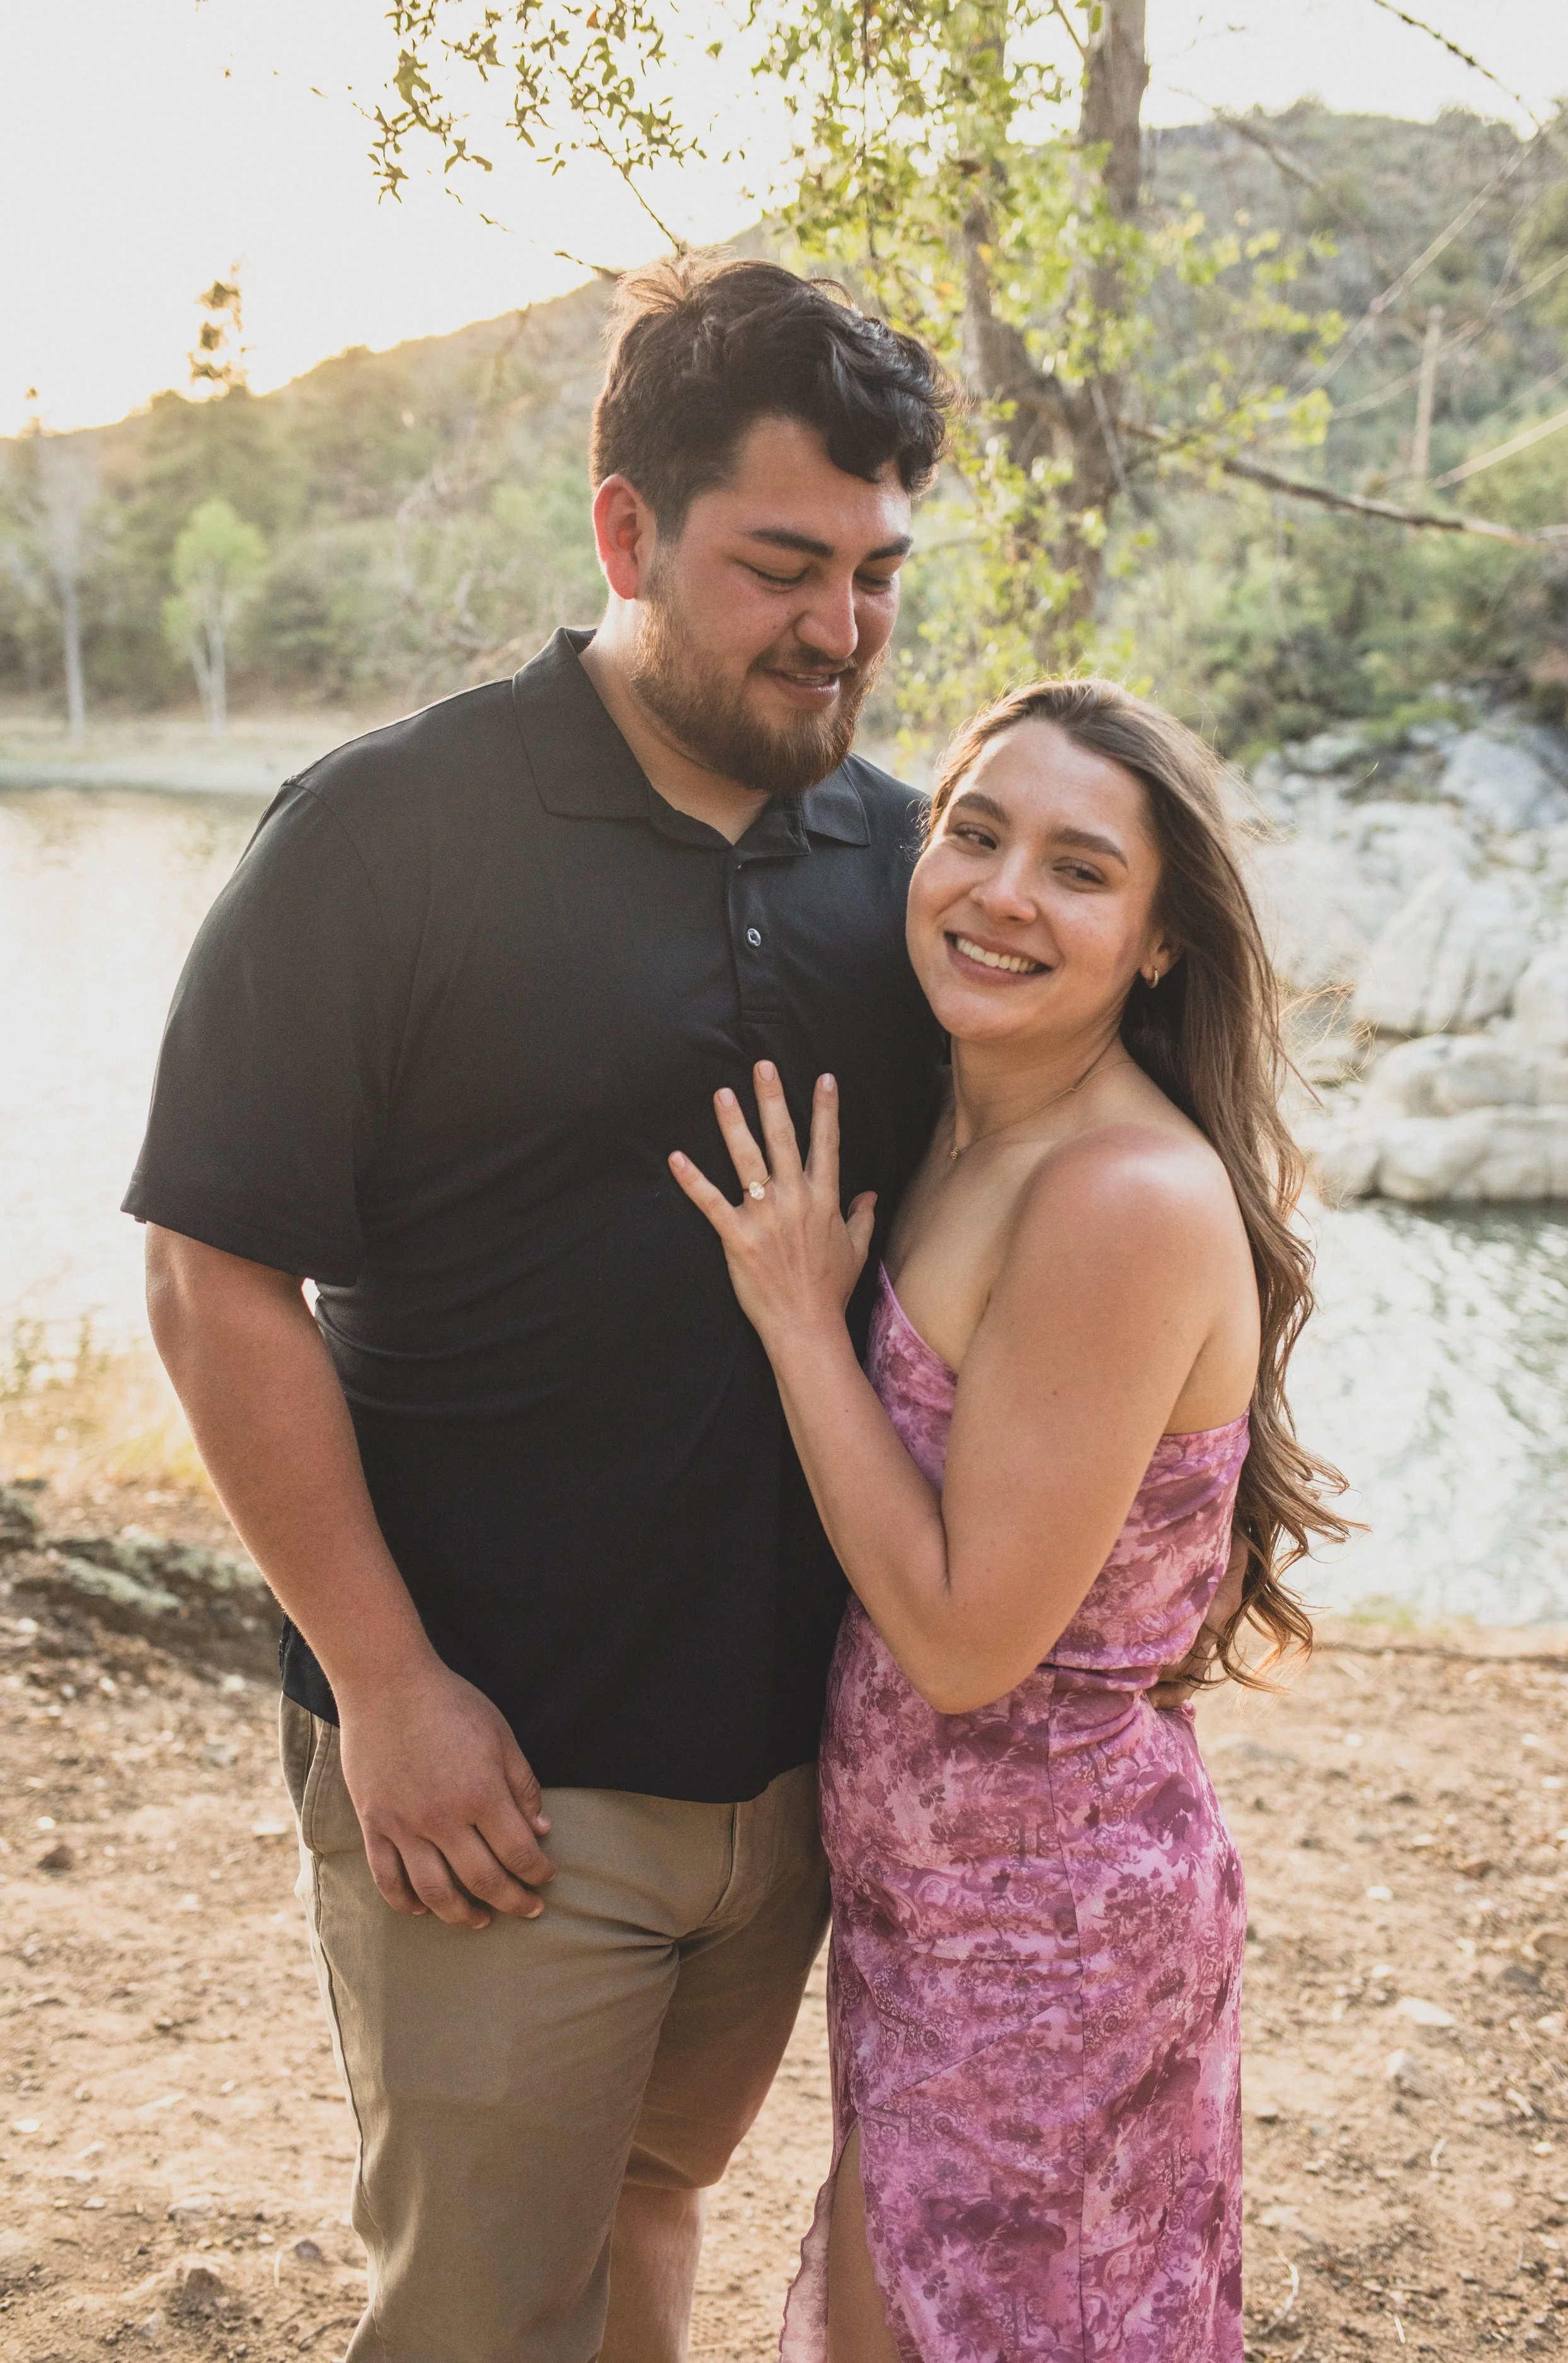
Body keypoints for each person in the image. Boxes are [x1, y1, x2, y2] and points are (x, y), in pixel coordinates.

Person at [123, 255, 952, 2363]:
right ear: (626, 531)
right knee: (488, 2316)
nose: (838, 628)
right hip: (493, 1774)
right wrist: (386, 1685)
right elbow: (213, 1273)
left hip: (792, 1774)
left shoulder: (904, 864)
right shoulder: (388, 831)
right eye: (782, 566)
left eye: (875, 573)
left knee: (654, 2208)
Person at [669, 679, 1349, 2363]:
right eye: (973, 835)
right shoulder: (975, 1127)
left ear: (1161, 939)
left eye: (1078, 868)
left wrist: (798, 1319)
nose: (1002, 894)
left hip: (1050, 1936)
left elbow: (969, 1644)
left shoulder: (1117, 1195)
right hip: (939, 1916)